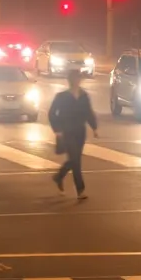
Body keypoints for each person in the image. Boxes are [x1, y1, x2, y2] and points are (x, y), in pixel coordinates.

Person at [48, 68, 98, 200]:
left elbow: (88, 112)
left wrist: (94, 127)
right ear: (70, 80)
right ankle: (80, 190)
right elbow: (52, 113)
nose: (77, 81)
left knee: (75, 160)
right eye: (75, 78)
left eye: (78, 78)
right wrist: (57, 130)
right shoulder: (61, 96)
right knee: (75, 160)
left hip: (80, 131)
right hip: (67, 131)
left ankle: (59, 177)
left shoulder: (84, 96)